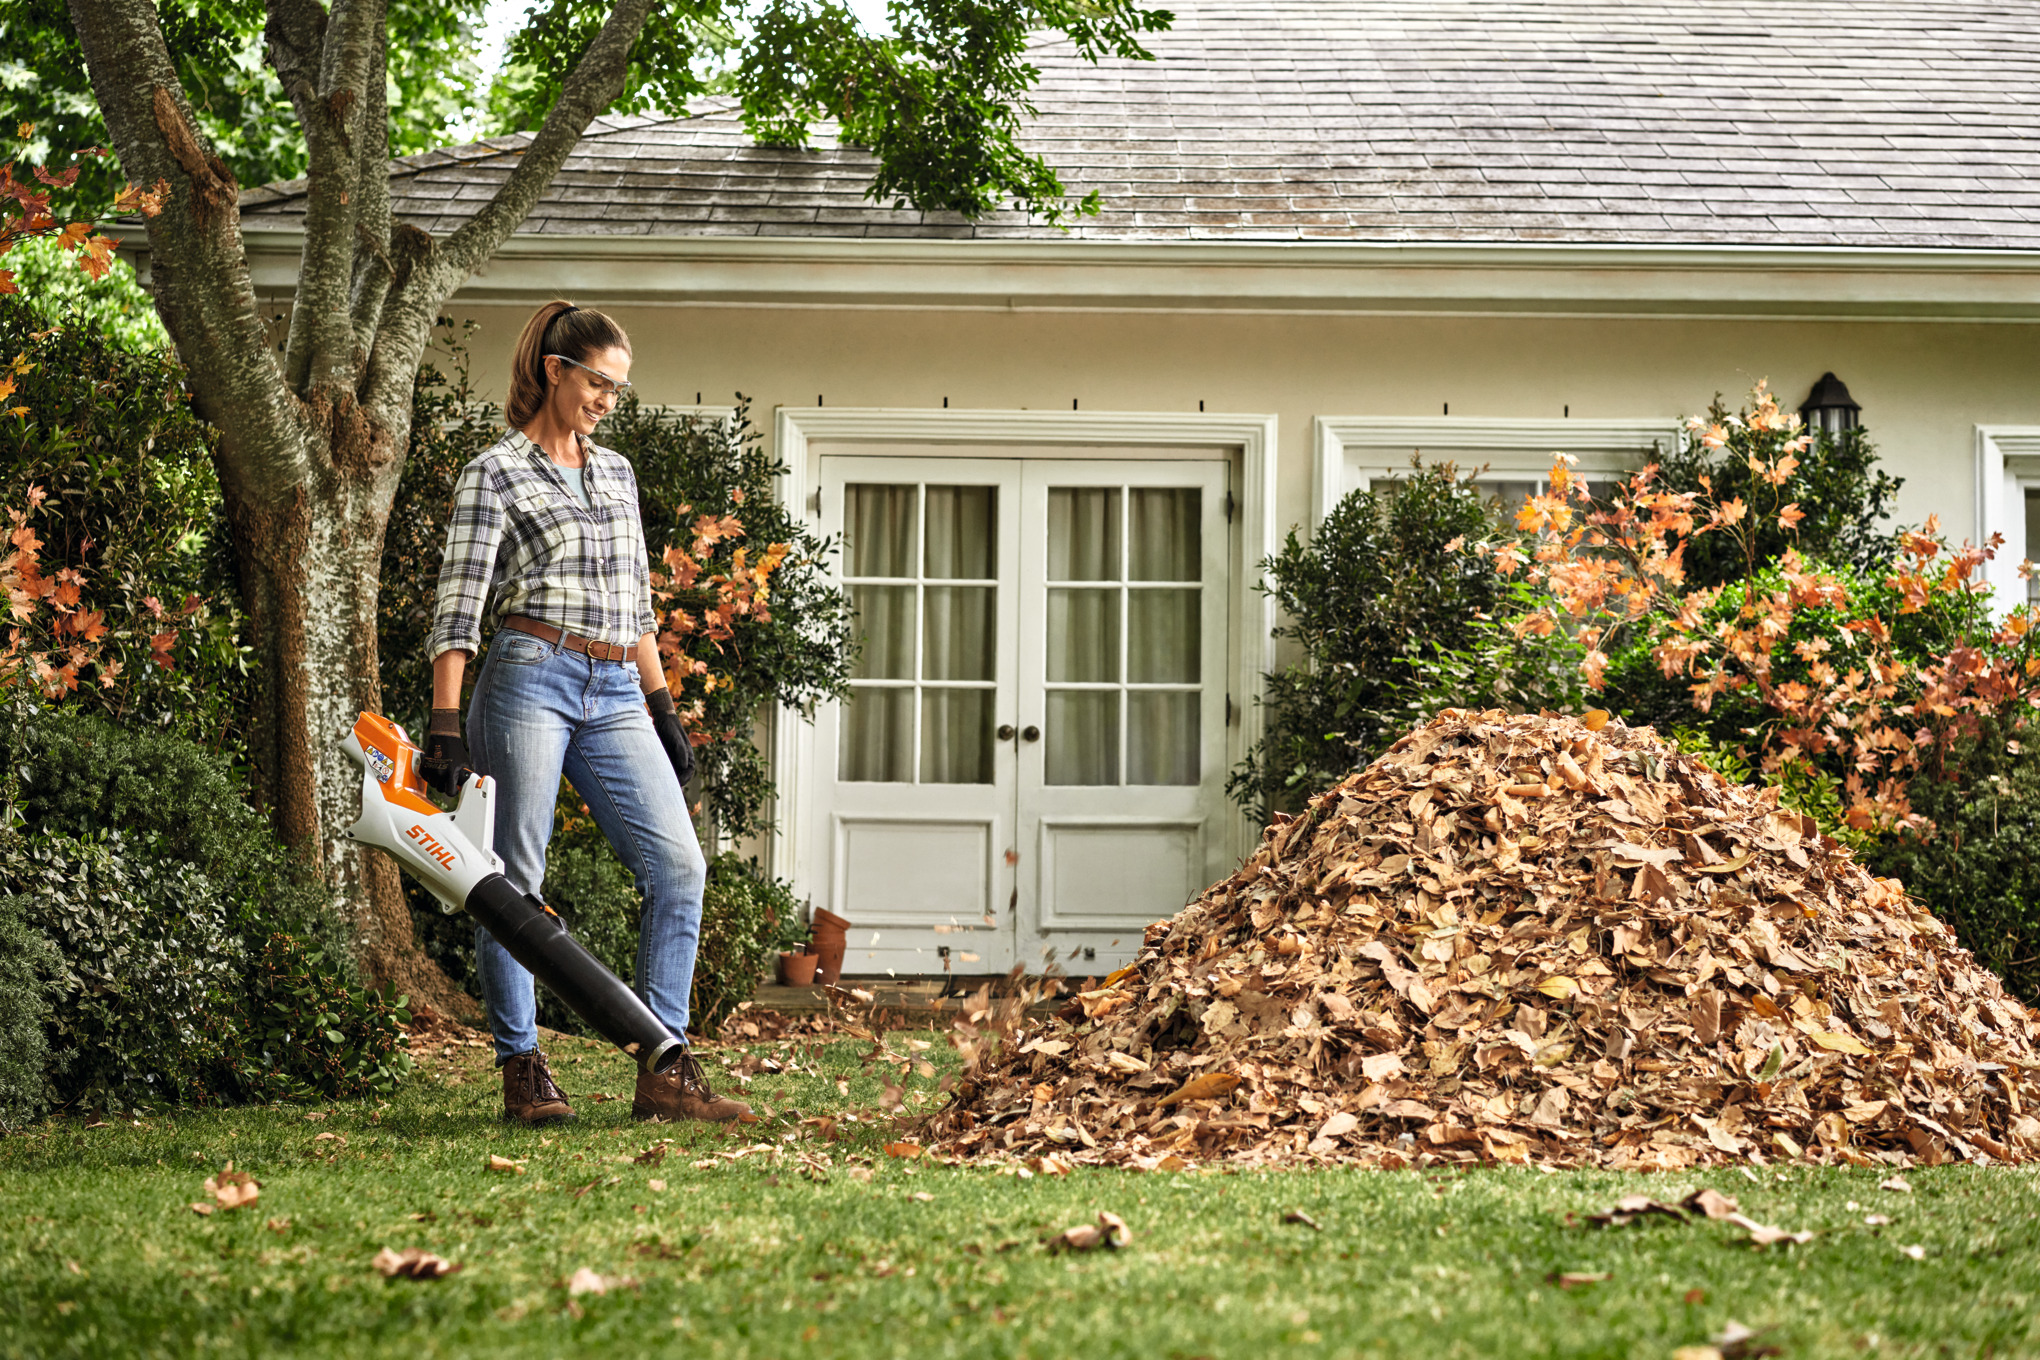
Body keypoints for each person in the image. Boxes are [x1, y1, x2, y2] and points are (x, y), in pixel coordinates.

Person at [423, 299, 751, 1127]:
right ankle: (523, 1066)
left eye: (619, 387)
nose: (608, 398)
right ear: (554, 371)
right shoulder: (493, 472)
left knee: (679, 866)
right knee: (512, 881)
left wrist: (663, 707)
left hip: (614, 690)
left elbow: (636, 602)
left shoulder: (616, 473)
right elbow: (459, 607)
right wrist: (445, 721)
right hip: (530, 673)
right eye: (598, 381)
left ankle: (664, 1067)